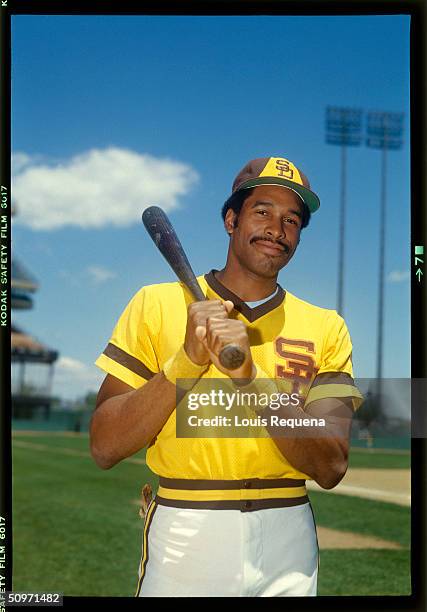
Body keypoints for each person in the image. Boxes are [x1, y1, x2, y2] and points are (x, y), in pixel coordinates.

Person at [90, 156, 363, 597]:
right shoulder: (155, 303)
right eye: (262, 211)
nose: (277, 228)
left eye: (292, 220)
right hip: (186, 524)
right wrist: (187, 361)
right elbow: (104, 445)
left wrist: (251, 380)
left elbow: (330, 465)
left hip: (289, 538)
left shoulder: (327, 326)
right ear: (231, 220)